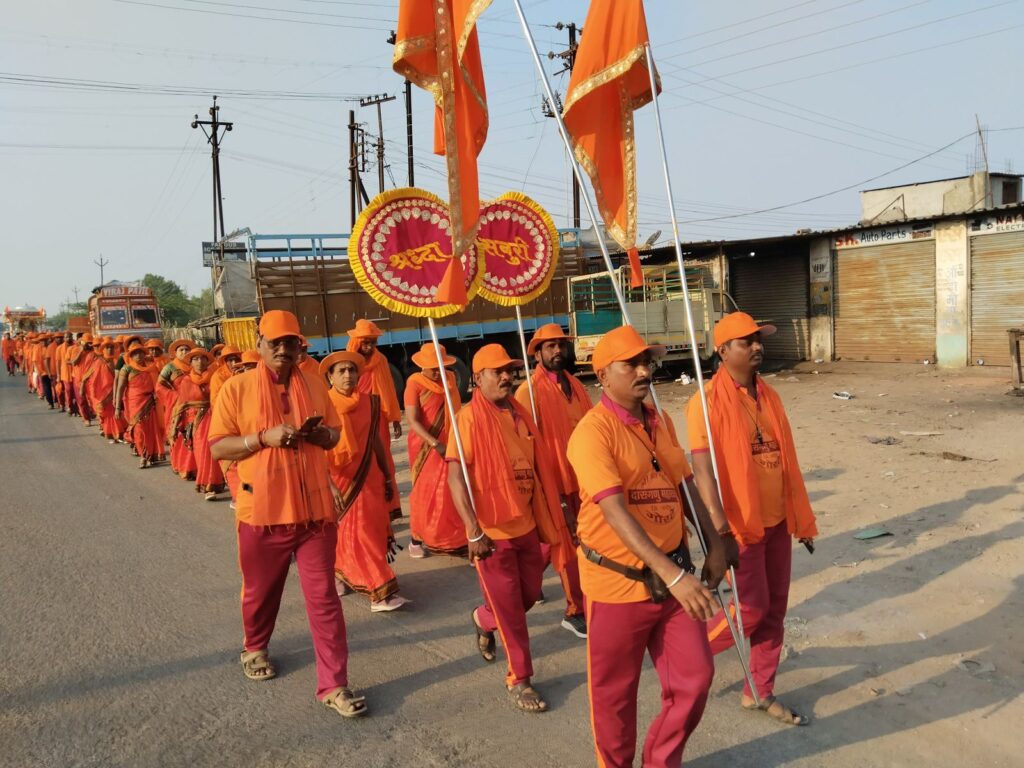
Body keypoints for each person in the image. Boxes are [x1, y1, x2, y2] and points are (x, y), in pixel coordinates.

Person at [567, 325, 728, 768]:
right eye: (631, 364)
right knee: (615, 696)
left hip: (673, 579)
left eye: (647, 362)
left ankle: (661, 761)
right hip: (618, 584)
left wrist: (714, 542)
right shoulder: (592, 432)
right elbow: (615, 511)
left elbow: (682, 484)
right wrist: (676, 577)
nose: (644, 371)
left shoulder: (660, 420)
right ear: (603, 375)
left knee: (695, 678)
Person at [209, 309, 366, 719]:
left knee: (325, 600)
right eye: (274, 342)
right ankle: (255, 645)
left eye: (290, 342)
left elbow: (333, 437)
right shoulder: (236, 388)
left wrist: (319, 435)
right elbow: (217, 447)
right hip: (262, 511)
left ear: (301, 347)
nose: (283, 349)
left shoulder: (316, 386)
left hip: (314, 515)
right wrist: (262, 438)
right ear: (259, 345)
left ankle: (335, 684)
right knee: (262, 593)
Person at [687, 311, 818, 727]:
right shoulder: (704, 404)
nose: (757, 346)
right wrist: (718, 530)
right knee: (753, 610)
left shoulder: (771, 396)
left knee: (775, 610)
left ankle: (759, 690)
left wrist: (800, 518)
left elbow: (786, 462)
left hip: (777, 520)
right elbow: (702, 471)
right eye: (747, 341)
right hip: (739, 527)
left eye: (759, 339)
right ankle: (687, 651)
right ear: (723, 351)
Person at [446, 344, 572, 714]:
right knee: (513, 615)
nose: (506, 376)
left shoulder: (521, 414)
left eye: (509, 370)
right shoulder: (466, 419)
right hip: (492, 533)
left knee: (530, 595)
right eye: (497, 371)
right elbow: (456, 477)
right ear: (478, 379)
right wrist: (473, 530)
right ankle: (520, 678)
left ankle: (483, 618)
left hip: (529, 525)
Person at [516, 323, 590, 638]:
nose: (557, 351)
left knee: (554, 546)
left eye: (561, 345)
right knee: (569, 546)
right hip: (553, 482)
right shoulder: (528, 392)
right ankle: (575, 611)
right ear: (538, 352)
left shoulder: (577, 384)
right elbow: (525, 446)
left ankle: (522, 582)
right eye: (550, 347)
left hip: (584, 477)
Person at [321, 351, 408, 612]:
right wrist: (329, 484)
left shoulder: (369, 403)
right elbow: (317, 450)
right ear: (330, 377)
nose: (348, 375)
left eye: (352, 370)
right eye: (342, 371)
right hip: (339, 479)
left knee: (367, 531)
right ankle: (379, 590)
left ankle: (344, 573)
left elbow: (376, 442)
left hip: (369, 476)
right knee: (354, 533)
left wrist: (387, 475)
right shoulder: (324, 405)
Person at [403, 342, 467, 558]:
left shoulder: (449, 378)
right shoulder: (414, 383)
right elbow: (412, 420)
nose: (437, 372)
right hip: (425, 446)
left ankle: (455, 538)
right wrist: (433, 443)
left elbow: (456, 409)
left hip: (450, 441)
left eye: (440, 367)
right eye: (433, 368)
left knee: (452, 490)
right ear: (423, 366)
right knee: (425, 493)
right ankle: (417, 539)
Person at [171, 348, 226, 498]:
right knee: (201, 451)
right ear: (190, 362)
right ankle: (207, 483)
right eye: (195, 359)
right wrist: (175, 427)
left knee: (213, 450)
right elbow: (181, 404)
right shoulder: (186, 381)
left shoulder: (215, 377)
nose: (199, 362)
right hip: (195, 421)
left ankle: (214, 483)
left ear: (208, 361)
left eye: (202, 358)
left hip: (214, 416)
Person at [346, 319, 402, 439]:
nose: (369, 346)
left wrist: (395, 419)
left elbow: (389, 390)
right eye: (365, 342)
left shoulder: (381, 360)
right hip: (355, 413)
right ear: (357, 342)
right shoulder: (348, 362)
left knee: (382, 450)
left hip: (378, 412)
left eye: (373, 342)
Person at [116, 342, 163, 469]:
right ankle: (143, 455)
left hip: (150, 401)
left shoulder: (152, 368)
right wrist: (118, 407)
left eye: (141, 352)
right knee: (139, 429)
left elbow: (159, 385)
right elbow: (120, 388)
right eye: (135, 353)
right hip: (134, 402)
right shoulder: (126, 369)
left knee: (151, 428)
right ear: (131, 355)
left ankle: (151, 454)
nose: (139, 355)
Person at [159, 339, 196, 478]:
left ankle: (191, 466)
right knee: (178, 434)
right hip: (176, 406)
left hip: (193, 407)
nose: (184, 352)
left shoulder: (195, 366)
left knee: (191, 435)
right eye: (181, 350)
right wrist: (176, 396)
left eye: (187, 350)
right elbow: (159, 386)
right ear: (175, 353)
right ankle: (178, 464)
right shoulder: (170, 367)